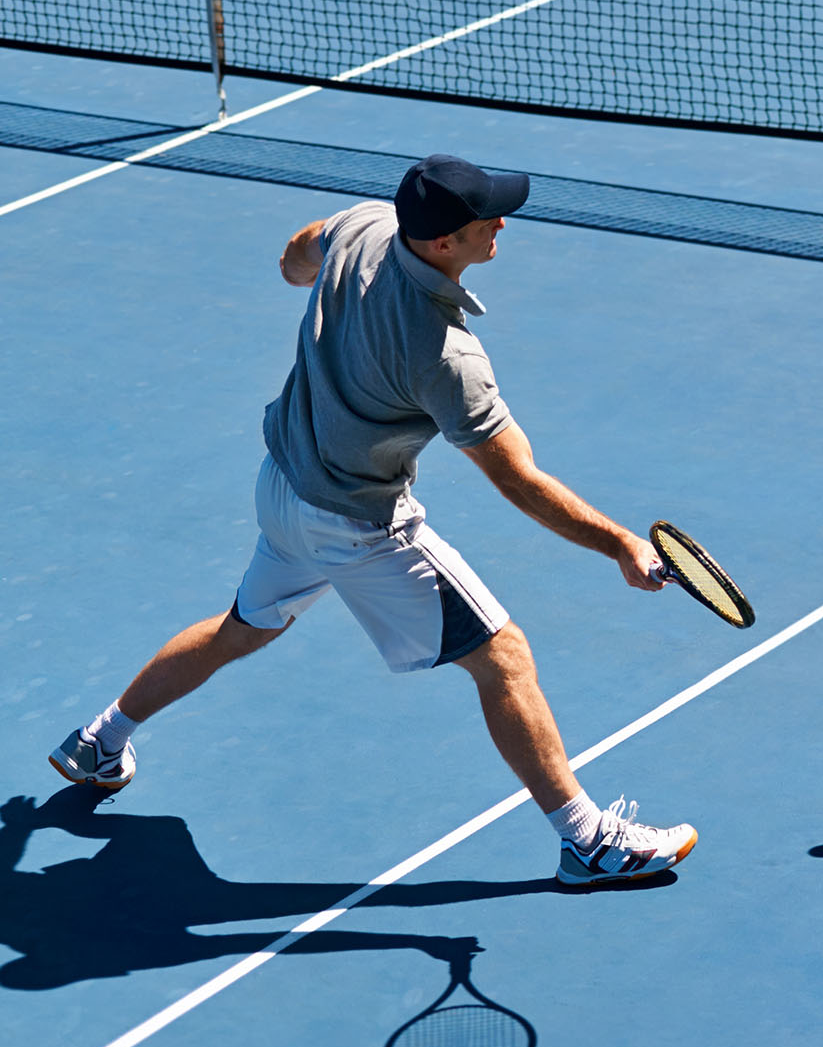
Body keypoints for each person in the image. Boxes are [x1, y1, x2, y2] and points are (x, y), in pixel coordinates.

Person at [49, 155, 697, 888]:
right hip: (357, 526)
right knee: (504, 657)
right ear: (444, 242)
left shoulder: (366, 224)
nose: (502, 224)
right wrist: (618, 543)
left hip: (284, 486)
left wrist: (317, 279)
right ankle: (588, 842)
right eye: (486, 219)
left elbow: (297, 255)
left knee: (242, 629)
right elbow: (516, 478)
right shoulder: (447, 356)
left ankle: (100, 740)